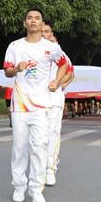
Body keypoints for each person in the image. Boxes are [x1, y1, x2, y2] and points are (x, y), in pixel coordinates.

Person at [4, 8, 69, 202]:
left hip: (42, 105)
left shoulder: (50, 48)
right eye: (30, 18)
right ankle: (18, 185)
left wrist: (56, 82)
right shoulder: (15, 46)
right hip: (20, 105)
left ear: (42, 24)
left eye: (37, 18)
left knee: (39, 146)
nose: (33, 21)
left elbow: (64, 65)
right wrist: (16, 69)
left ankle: (36, 189)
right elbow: (7, 72)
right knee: (19, 147)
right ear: (25, 23)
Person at [41, 22, 75, 187]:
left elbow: (71, 73)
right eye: (42, 31)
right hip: (36, 100)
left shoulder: (59, 53)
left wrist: (59, 84)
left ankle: (50, 168)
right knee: (38, 135)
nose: (44, 34)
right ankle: (38, 165)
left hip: (54, 100)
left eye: (47, 31)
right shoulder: (30, 52)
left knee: (52, 132)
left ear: (51, 33)